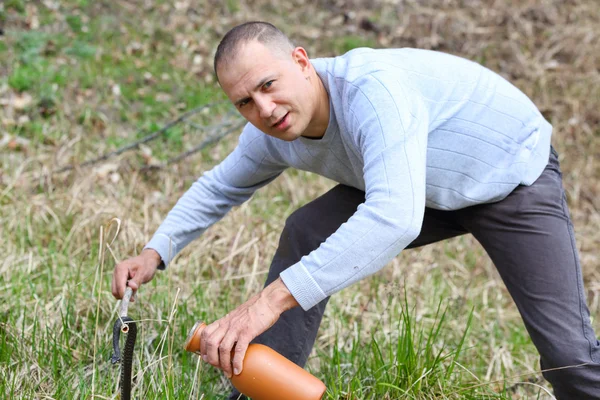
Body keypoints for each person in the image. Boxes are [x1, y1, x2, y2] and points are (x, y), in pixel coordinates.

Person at [111, 21, 600, 399]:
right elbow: (219, 186)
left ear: (302, 61)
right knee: (306, 230)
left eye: (269, 84)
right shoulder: (271, 131)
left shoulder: (372, 91)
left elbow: (395, 218)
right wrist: (154, 252)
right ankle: (265, 390)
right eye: (245, 101)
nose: (264, 108)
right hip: (412, 185)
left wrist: (267, 302)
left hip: (507, 178)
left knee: (569, 356)